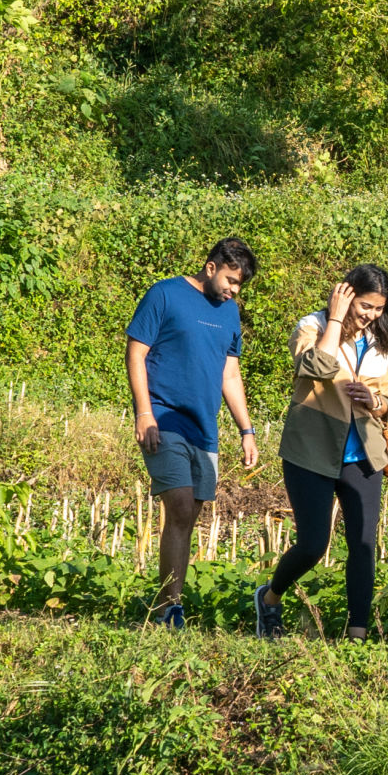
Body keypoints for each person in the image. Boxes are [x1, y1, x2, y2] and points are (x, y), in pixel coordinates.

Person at [253, 266, 388, 643]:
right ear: (345, 295)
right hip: (311, 451)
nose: (370, 315)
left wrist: (377, 401)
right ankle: (270, 598)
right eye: (365, 305)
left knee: (364, 545)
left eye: (378, 309)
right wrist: (336, 319)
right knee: (313, 544)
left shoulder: (384, 340)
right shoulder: (313, 327)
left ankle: (357, 636)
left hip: (365, 453)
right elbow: (314, 367)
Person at [126, 237, 260, 630]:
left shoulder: (229, 312)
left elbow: (229, 373)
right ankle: (170, 609)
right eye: (231, 280)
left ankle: (168, 604)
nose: (233, 290)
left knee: (189, 515)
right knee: (180, 506)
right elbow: (136, 354)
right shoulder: (164, 294)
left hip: (205, 427)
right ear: (211, 265)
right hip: (163, 418)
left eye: (239, 285)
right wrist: (144, 413)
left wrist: (246, 430)